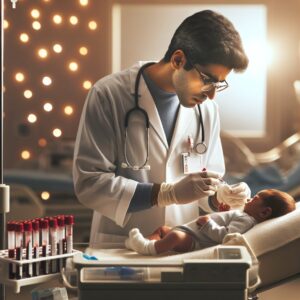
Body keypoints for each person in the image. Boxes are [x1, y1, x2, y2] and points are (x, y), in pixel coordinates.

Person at [73, 10, 251, 249]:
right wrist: (165, 194)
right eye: (208, 79)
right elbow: (90, 183)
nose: (211, 94)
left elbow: (208, 181)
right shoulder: (109, 94)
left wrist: (219, 196)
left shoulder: (207, 111)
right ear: (178, 60)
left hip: (184, 246)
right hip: (121, 246)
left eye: (219, 83)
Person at [125, 189, 296, 255]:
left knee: (174, 237)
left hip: (196, 241)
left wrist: (209, 224)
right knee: (163, 229)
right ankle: (144, 242)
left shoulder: (247, 220)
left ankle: (148, 249)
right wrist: (224, 213)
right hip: (190, 232)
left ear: (265, 212)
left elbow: (225, 236)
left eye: (255, 198)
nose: (250, 198)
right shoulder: (243, 216)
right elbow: (228, 225)